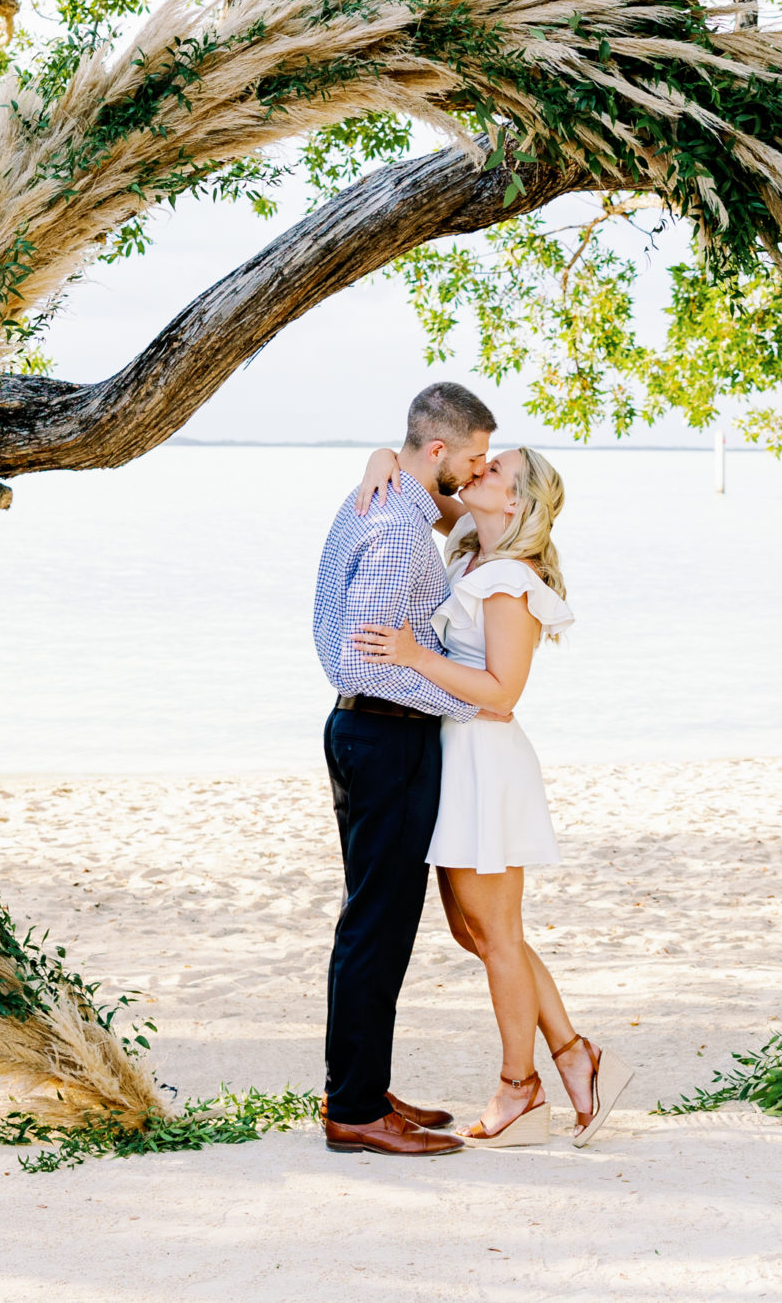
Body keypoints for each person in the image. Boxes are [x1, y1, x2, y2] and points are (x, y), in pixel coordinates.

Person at [351, 442, 632, 1149]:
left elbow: (505, 692)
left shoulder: (509, 579)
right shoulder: (474, 550)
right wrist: (383, 456)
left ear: (517, 501)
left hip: (485, 764)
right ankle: (576, 1055)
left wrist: (416, 656)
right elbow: (426, 488)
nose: (477, 473)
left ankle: (521, 1087)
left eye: (495, 469)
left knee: (497, 936)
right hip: (460, 754)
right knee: (476, 932)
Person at [310, 381, 499, 1157]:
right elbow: (371, 657)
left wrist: (381, 453)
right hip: (385, 735)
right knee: (377, 925)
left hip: (371, 734)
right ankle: (354, 1109)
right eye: (474, 456)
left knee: (376, 920)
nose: (478, 470)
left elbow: (453, 509)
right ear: (437, 451)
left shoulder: (382, 501)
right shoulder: (396, 530)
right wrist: (468, 704)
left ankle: (360, 1086)